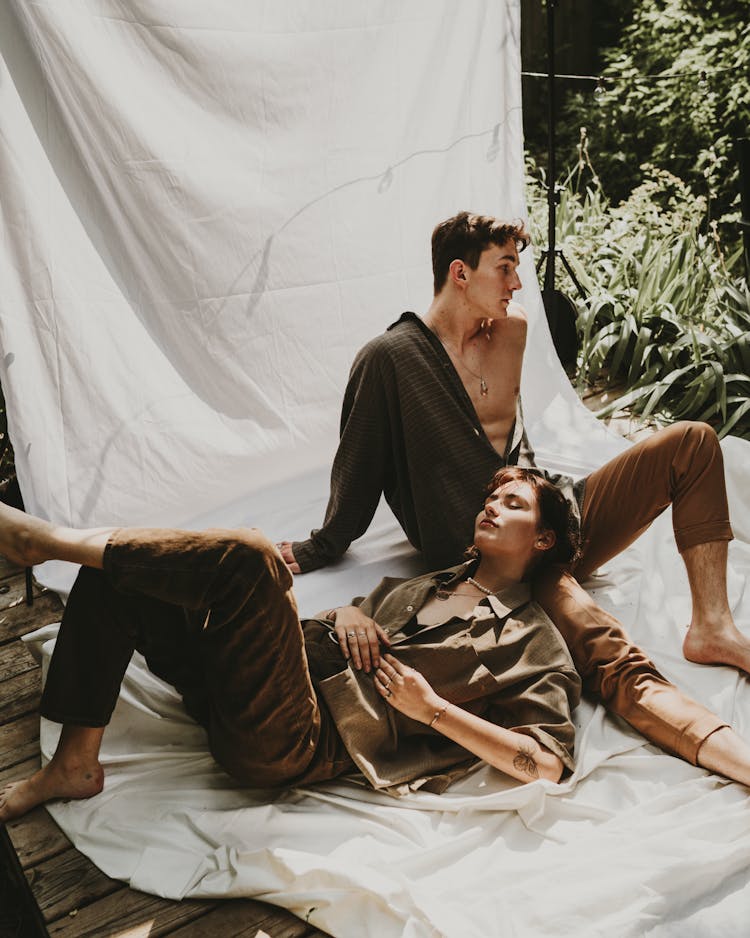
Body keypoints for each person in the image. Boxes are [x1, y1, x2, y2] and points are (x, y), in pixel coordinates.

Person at [279, 211, 750, 783]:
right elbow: (358, 470)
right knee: (608, 655)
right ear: (460, 273)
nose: (517, 283)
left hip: (552, 513)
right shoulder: (390, 360)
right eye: (505, 268)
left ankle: (712, 626)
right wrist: (319, 546)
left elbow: (513, 454)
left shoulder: (513, 330)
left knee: (694, 443)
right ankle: (729, 754)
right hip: (502, 553)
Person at [0, 468, 584, 824]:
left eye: (513, 504)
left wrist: (431, 709)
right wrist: (349, 610)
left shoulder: (532, 639)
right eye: (492, 496)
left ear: (544, 538)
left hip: (295, 737)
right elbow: (334, 631)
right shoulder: (432, 583)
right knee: (122, 574)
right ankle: (75, 765)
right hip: (246, 684)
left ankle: (47, 541)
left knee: (253, 556)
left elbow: (548, 763)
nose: (492, 504)